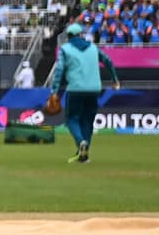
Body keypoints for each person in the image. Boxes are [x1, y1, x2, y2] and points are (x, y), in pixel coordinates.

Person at [48, 22, 119, 164]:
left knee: (72, 119)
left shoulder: (65, 49)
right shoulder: (93, 47)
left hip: (75, 89)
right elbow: (108, 60)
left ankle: (81, 142)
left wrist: (54, 91)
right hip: (94, 89)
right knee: (88, 121)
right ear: (81, 35)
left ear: (68, 36)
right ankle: (84, 154)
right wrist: (114, 79)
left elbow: (60, 69)